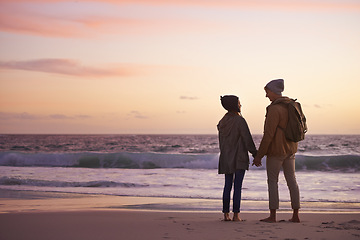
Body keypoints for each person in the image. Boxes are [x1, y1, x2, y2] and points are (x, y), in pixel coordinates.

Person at [253, 79, 301, 223]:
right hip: (291, 150)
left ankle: (273, 216)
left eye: (267, 92)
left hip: (276, 151)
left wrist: (258, 156)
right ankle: (295, 215)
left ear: (273, 91)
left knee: (273, 182)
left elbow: (268, 135)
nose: (266, 96)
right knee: (292, 181)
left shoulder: (274, 109)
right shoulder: (292, 106)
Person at [217, 95, 257, 221]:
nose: (241, 105)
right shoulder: (240, 121)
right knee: (238, 186)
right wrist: (255, 154)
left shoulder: (222, 122)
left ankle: (225, 214)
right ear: (234, 105)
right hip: (239, 158)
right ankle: (236, 215)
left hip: (226, 158)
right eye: (239, 103)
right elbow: (247, 139)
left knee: (227, 185)